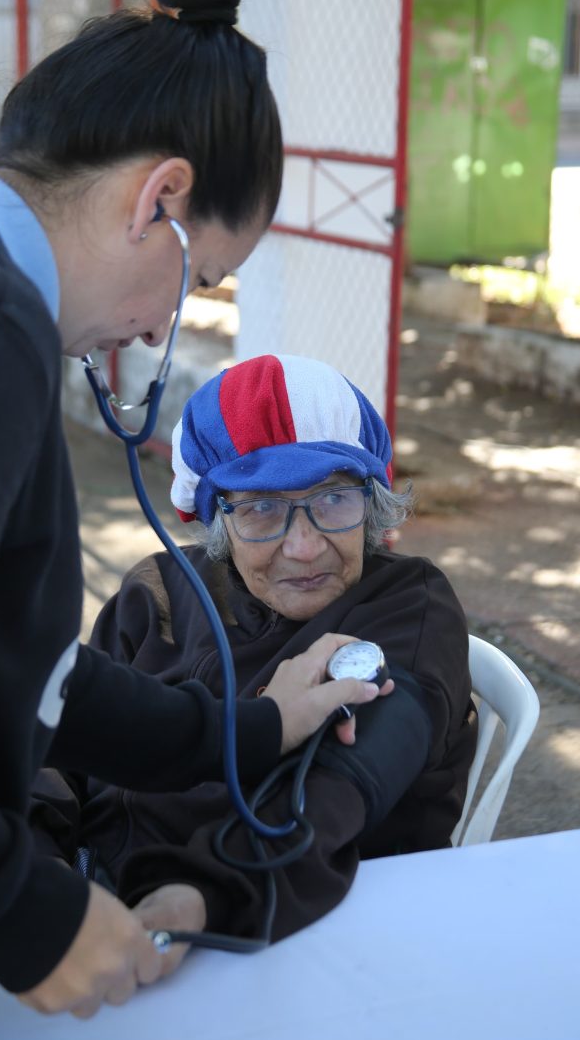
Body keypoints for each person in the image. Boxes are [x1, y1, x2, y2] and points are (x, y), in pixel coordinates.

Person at [0, 0, 383, 1040]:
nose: (158, 325)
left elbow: (18, 670)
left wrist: (246, 727)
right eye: (203, 280)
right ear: (161, 200)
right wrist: (22, 913)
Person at [31, 354, 477, 948]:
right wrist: (40, 871)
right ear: (215, 516)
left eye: (334, 499)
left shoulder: (407, 607)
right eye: (261, 507)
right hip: (93, 901)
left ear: (372, 502)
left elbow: (335, 791)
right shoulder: (160, 592)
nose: (303, 545)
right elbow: (55, 748)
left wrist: (196, 901)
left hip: (304, 930)